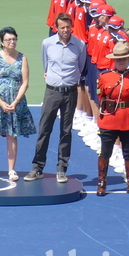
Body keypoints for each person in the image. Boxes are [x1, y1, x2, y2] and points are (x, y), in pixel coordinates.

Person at [25, 12, 86, 183]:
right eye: (62, 27)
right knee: (44, 129)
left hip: (70, 93)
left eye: (68, 27)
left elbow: (80, 67)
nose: (65, 30)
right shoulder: (47, 43)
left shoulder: (80, 45)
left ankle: (61, 169)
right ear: (56, 28)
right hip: (51, 92)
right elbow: (46, 64)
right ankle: (37, 167)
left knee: (66, 132)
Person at [0, 27, 36, 181]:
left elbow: (25, 82)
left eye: (14, 39)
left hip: (15, 102)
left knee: (12, 134)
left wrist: (15, 102)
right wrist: (1, 103)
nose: (12, 42)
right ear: (2, 42)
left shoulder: (22, 58)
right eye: (8, 40)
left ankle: (12, 170)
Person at [96, 42, 129, 196]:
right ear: (114, 60)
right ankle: (102, 183)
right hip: (110, 120)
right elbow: (100, 97)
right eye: (118, 59)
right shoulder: (105, 77)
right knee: (105, 152)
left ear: (128, 59)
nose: (121, 61)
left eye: (123, 58)